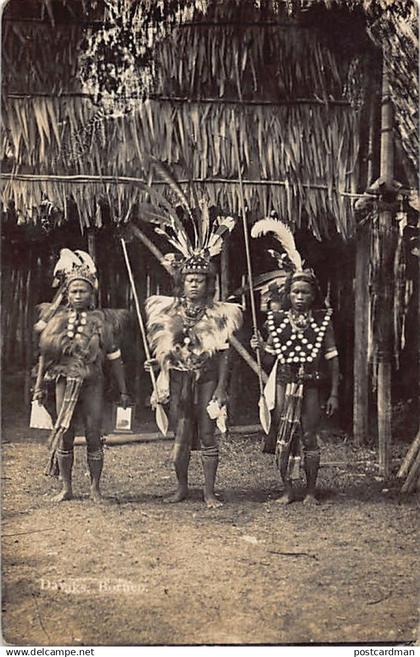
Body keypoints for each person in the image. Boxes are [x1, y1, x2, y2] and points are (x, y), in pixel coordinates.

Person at [251, 216, 339, 505]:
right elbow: (269, 361)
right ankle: (287, 489)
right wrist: (261, 346)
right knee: (284, 433)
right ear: (288, 294)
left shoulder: (322, 321)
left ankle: (311, 491)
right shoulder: (277, 321)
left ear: (314, 295)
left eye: (305, 292)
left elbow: (332, 359)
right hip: (284, 382)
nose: (300, 296)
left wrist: (335, 392)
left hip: (311, 385)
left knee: (309, 434)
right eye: (295, 291)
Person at [32, 249, 130, 503]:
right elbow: (45, 355)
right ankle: (66, 488)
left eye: (83, 291)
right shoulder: (56, 319)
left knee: (93, 432)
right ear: (66, 293)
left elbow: (114, 357)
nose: (78, 295)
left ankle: (95, 489)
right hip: (64, 381)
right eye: (73, 291)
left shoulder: (103, 321)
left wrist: (123, 390)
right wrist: (39, 386)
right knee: (64, 432)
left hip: (93, 383)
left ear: (91, 293)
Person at [145, 255, 242, 508]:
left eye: (199, 280)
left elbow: (223, 356)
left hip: (207, 379)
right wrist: (160, 363)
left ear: (208, 284)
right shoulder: (171, 311)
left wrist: (221, 388)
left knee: (208, 433)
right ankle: (181, 488)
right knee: (182, 433)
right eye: (190, 280)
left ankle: (209, 493)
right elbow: (170, 347)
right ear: (183, 282)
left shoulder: (217, 314)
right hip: (178, 380)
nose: (194, 285)